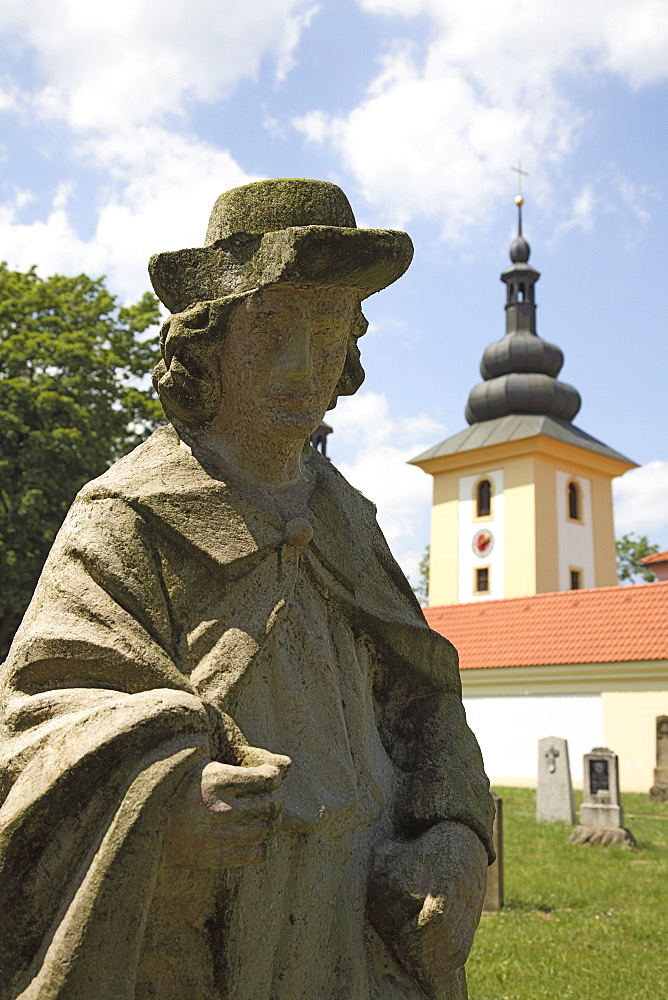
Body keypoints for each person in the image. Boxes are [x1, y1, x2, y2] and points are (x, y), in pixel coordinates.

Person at [0, 179, 494, 1000]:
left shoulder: (350, 524)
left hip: (360, 933)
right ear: (206, 345)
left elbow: (426, 700)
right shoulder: (129, 518)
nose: (305, 366)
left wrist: (456, 835)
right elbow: (39, 718)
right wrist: (159, 804)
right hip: (200, 940)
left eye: (328, 330)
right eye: (271, 331)